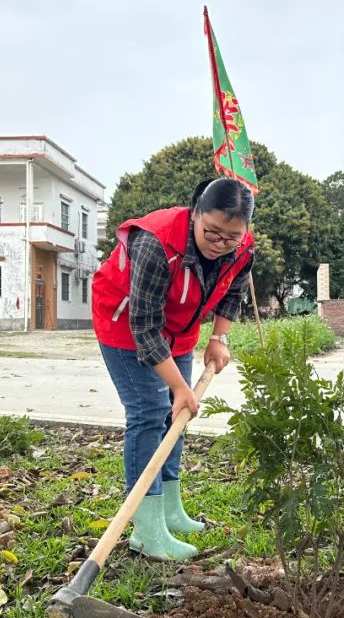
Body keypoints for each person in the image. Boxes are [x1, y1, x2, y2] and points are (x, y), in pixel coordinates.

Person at [92, 178, 255, 560]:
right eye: (211, 231)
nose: (220, 243)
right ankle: (146, 529)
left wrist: (219, 338)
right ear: (195, 213)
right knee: (150, 413)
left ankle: (169, 509)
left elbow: (234, 290)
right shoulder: (156, 243)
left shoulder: (242, 246)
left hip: (180, 328)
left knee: (175, 417)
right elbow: (144, 329)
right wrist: (180, 386)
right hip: (126, 323)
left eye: (231, 236)